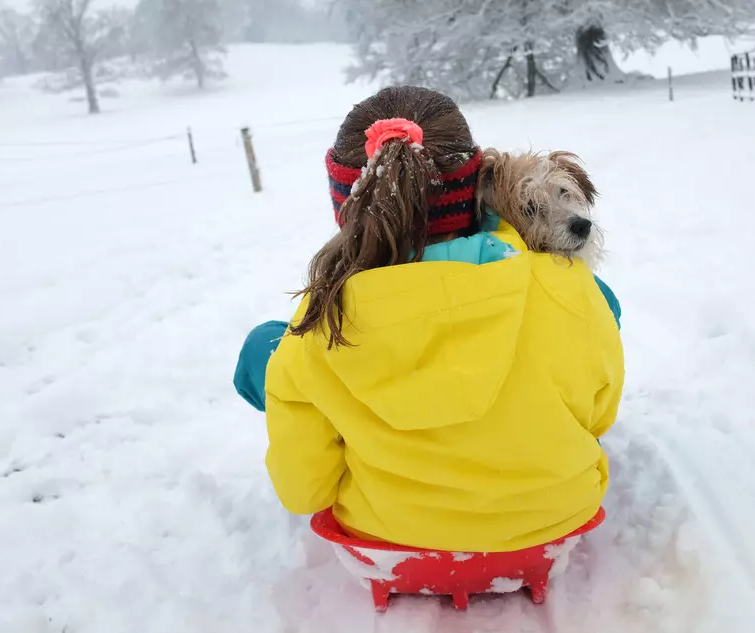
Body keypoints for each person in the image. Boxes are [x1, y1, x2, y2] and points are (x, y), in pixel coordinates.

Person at [235, 86, 624, 552]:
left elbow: (304, 493)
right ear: (473, 189)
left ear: (348, 207)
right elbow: (598, 420)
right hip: (556, 520)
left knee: (270, 349)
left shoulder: (321, 323)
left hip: (386, 533)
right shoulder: (570, 290)